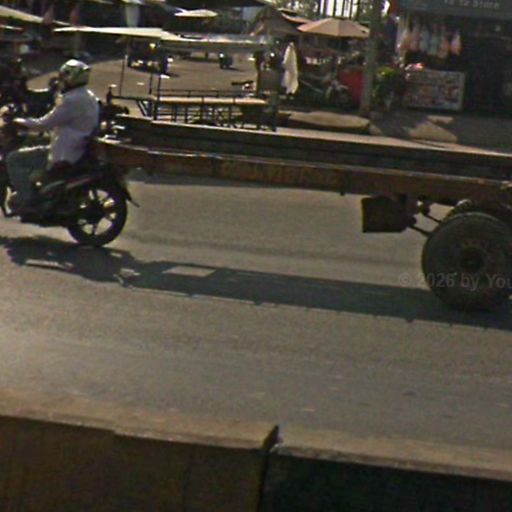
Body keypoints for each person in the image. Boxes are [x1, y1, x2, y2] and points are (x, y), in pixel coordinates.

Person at [6, 59, 100, 214]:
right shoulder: (89, 96)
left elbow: (42, 125)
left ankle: (28, 200)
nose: (61, 80)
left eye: (64, 77)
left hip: (65, 152)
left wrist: (18, 121)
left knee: (13, 159)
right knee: (37, 142)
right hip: (77, 146)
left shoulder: (71, 100)